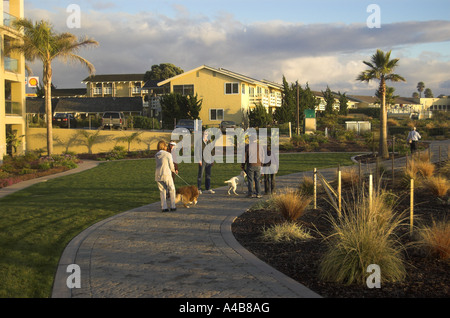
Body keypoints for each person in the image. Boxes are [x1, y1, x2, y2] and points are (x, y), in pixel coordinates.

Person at [155, 140, 177, 212]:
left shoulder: (156, 155)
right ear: (164, 146)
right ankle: (173, 206)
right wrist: (174, 170)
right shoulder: (168, 154)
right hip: (166, 174)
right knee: (172, 189)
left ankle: (164, 207)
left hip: (158, 175)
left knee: (162, 191)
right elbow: (171, 165)